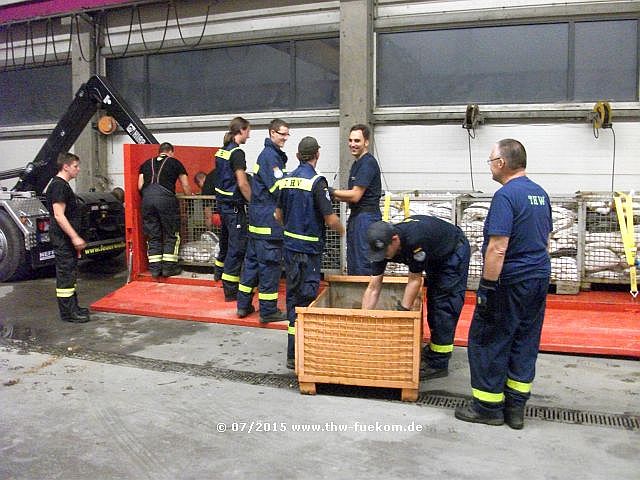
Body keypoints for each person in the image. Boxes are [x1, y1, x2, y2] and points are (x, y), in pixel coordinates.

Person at [454, 139, 552, 430]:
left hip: (510, 281)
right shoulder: (540, 194)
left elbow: (497, 247)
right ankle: (516, 408)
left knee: (488, 339)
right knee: (525, 339)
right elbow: (545, 240)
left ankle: (487, 407)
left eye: (491, 160)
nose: (490, 165)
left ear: (502, 163)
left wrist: (487, 287)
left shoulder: (506, 196)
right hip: (537, 278)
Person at [362, 216, 471, 379]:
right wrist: (363, 320)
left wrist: (403, 314)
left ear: (395, 240)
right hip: (434, 254)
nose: (383, 257)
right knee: (433, 302)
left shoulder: (415, 240)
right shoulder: (381, 247)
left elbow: (414, 280)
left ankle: (439, 363)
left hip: (452, 253)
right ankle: (435, 348)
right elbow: (373, 286)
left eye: (385, 252)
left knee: (444, 305)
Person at [276, 137, 345, 369]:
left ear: (297, 156)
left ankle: (291, 353)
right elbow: (330, 217)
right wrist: (344, 231)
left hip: (290, 249)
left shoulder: (285, 180)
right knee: (307, 300)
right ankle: (304, 354)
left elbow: (277, 215)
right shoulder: (317, 182)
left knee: (293, 300)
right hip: (309, 252)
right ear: (317, 154)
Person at [236, 119, 290, 322]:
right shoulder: (271, 157)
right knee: (269, 266)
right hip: (268, 223)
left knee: (251, 264)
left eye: (287, 134)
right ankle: (268, 311)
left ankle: (243, 305)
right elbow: (277, 188)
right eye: (281, 134)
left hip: (258, 222)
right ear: (271, 133)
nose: (284, 138)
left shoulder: (269, 155)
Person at [331, 124, 382, 275]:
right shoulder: (357, 164)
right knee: (353, 262)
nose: (352, 144)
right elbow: (351, 198)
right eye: (350, 140)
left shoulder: (367, 163)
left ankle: (364, 296)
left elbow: (355, 195)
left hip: (366, 219)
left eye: (357, 141)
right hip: (356, 217)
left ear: (366, 142)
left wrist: (332, 191)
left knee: (363, 263)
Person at [45, 152, 90, 323]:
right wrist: (74, 237)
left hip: (65, 240)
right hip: (63, 240)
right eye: (75, 166)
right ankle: (68, 313)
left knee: (70, 274)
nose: (78, 170)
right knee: (65, 275)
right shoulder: (58, 186)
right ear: (65, 166)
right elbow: (59, 215)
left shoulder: (63, 185)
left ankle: (74, 307)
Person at [211, 117, 252, 300]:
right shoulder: (237, 153)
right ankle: (230, 290)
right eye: (248, 131)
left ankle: (218, 274)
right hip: (234, 208)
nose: (249, 135)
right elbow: (242, 183)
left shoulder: (221, 151)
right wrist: (253, 202)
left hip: (222, 205)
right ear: (241, 130)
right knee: (237, 249)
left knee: (225, 244)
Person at [138, 142, 192, 278]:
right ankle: (169, 268)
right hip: (166, 200)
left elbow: (140, 186)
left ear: (160, 151)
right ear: (171, 152)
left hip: (147, 200)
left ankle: (155, 269)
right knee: (171, 233)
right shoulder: (175, 162)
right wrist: (189, 198)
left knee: (153, 235)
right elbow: (185, 185)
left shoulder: (145, 164)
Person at [195, 170, 227, 281]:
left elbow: (208, 214)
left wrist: (208, 230)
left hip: (222, 217)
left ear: (200, 181)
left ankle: (219, 270)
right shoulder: (219, 174)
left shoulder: (207, 186)